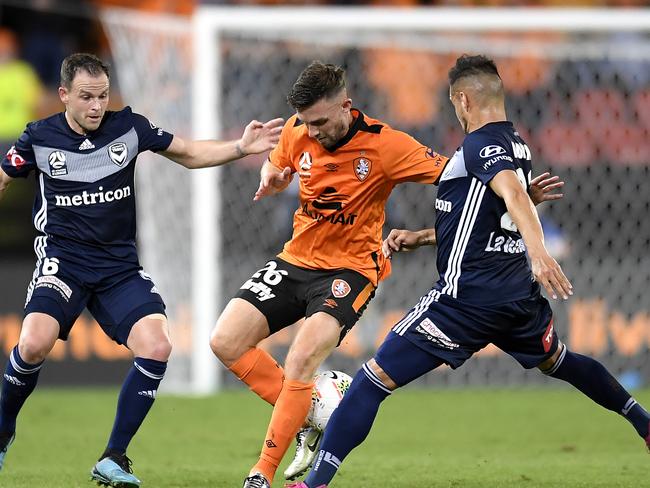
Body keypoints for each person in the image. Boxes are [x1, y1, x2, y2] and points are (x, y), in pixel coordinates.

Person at [288, 54, 650, 488]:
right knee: (560, 360)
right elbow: (484, 216)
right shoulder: (518, 144)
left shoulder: (481, 146)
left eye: (453, 102)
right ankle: (644, 424)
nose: (454, 110)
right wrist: (422, 237)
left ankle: (313, 485)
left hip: (465, 300)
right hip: (516, 299)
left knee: (371, 381)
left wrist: (539, 252)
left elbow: (513, 196)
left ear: (462, 99)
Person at [208, 60, 560, 488]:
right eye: (306, 123)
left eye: (320, 122)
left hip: (351, 268)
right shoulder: (297, 130)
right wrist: (273, 176)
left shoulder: (387, 145)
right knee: (224, 341)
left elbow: (460, 174)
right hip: (296, 258)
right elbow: (277, 161)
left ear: (346, 107)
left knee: (301, 358)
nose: (312, 132)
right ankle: (310, 409)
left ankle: (260, 475)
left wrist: (518, 196)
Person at [0, 53, 283, 487]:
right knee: (34, 343)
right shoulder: (38, 138)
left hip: (117, 266)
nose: (96, 106)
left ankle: (114, 457)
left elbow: (187, 152)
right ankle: (2, 437)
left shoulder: (129, 128)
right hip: (63, 261)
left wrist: (241, 148)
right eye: (85, 97)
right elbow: (3, 177)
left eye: (102, 96)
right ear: (63, 96)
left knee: (157, 344)